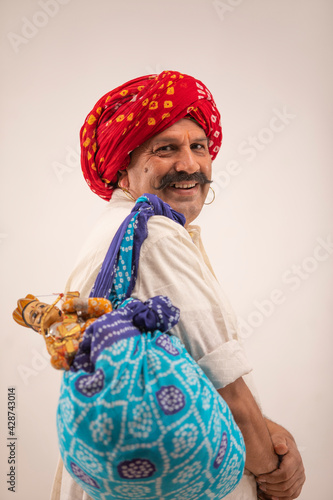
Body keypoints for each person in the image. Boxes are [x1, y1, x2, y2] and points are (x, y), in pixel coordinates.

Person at [51, 70, 305, 500]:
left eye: (198, 147)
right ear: (123, 171)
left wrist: (269, 428)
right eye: (166, 149)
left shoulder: (117, 229)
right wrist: (273, 473)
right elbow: (227, 388)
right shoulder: (151, 235)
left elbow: (192, 376)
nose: (189, 165)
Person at [13, 293, 112, 370]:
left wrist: (76, 303)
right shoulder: (52, 340)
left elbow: (105, 306)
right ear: (38, 329)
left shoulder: (70, 311)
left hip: (98, 331)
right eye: (35, 315)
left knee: (92, 322)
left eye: (42, 306)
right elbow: (58, 359)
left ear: (55, 307)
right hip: (80, 350)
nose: (41, 311)